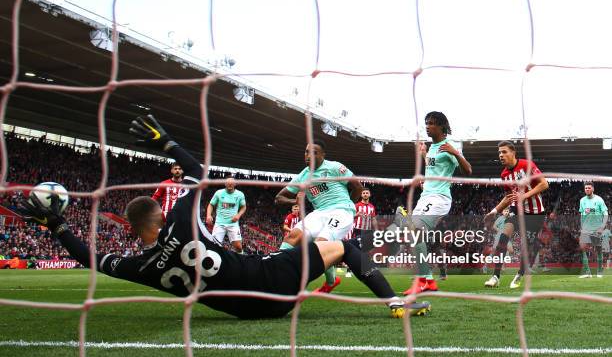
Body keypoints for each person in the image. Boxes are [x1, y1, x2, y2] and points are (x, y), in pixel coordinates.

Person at [18, 115, 430, 319]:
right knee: (345, 246)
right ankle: (394, 301)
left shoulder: (138, 267)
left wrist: (57, 227)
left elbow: (90, 258)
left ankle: (333, 276)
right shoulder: (179, 223)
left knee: (298, 243)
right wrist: (168, 143)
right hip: (272, 281)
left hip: (253, 311)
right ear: (160, 214)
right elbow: (200, 175)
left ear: (132, 227)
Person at [274, 140, 363, 294]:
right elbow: (278, 198)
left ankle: (311, 282)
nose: (309, 155)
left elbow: (358, 187)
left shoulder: (335, 167)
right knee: (292, 237)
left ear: (323, 155)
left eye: (314, 152)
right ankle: (275, 273)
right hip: (319, 213)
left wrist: (348, 206)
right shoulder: (303, 176)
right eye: (306, 152)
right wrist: (293, 201)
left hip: (341, 211)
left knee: (319, 245)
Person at [403, 111, 472, 295]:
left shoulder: (448, 147)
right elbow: (432, 168)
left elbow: (468, 170)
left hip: (439, 198)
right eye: (426, 123)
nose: (427, 126)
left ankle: (422, 280)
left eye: (432, 123)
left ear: (442, 126)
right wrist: (424, 155)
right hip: (426, 196)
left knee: (416, 230)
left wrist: (455, 152)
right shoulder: (431, 148)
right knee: (414, 235)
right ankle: (429, 281)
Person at [484, 141, 549, 288]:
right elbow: (509, 197)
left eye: (504, 152)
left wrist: (524, 196)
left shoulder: (527, 165)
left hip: (536, 213)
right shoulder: (504, 175)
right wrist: (494, 212)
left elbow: (544, 184)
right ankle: (495, 276)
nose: (501, 155)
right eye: (499, 152)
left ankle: (519, 274)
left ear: (513, 153)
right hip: (517, 210)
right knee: (502, 236)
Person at [206, 178, 246, 253]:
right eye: (228, 183)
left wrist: (238, 215)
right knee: (215, 246)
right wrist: (208, 215)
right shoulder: (219, 193)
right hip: (219, 224)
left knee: (238, 247)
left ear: (235, 184)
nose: (230, 184)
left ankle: (241, 261)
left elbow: (244, 207)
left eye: (231, 183)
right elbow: (211, 204)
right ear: (225, 184)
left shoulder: (240, 194)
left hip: (233, 224)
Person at [577, 182, 608, 278]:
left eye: (589, 188)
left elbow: (605, 213)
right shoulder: (582, 200)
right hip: (585, 229)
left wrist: (602, 226)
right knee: (582, 249)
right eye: (586, 188)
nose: (587, 189)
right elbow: (582, 215)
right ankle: (587, 273)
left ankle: (599, 271)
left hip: (596, 229)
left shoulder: (599, 200)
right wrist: (582, 227)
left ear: (593, 189)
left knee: (598, 250)